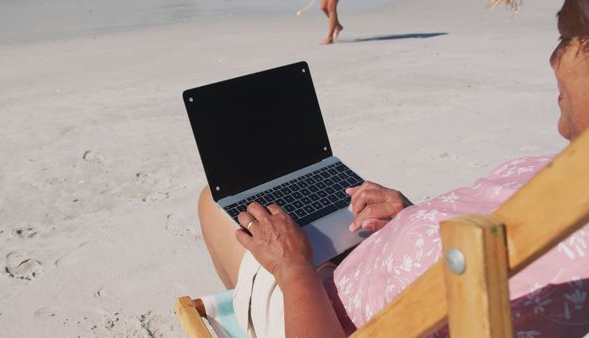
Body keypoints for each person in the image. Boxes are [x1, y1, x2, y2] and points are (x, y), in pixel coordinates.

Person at [197, 0, 589, 336]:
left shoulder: (575, 249)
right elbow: (493, 243)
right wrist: (415, 218)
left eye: (568, 37)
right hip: (361, 254)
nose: (554, 58)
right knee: (292, 202)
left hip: (316, 309)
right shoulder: (572, 182)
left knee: (213, 204)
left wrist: (293, 268)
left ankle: (255, 314)